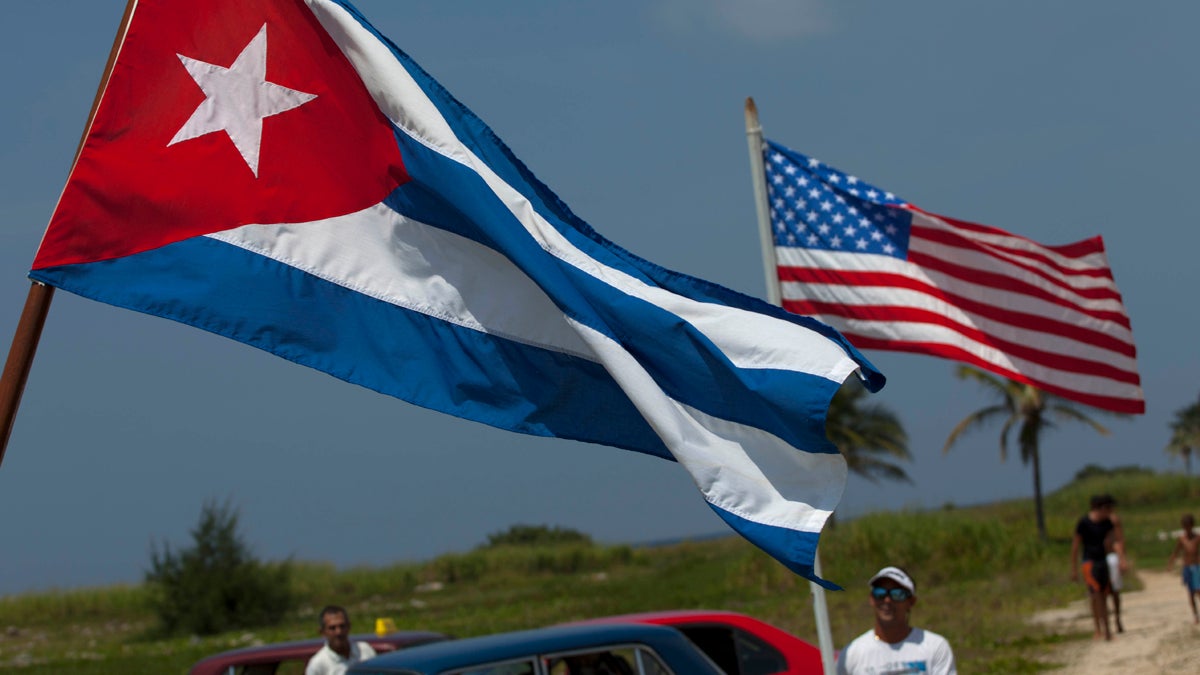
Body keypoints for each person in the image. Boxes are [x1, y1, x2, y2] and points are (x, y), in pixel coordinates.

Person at [835, 566, 956, 675]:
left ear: (911, 602)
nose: (887, 600)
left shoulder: (935, 647)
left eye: (897, 594)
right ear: (871, 599)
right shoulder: (851, 654)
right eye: (880, 593)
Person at [1071, 494, 1121, 641]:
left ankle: (1106, 630)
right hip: (1089, 562)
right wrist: (1074, 569)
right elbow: (1075, 546)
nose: (1111, 512)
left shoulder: (1107, 523)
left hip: (1102, 561)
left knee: (1104, 595)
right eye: (1109, 509)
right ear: (1102, 508)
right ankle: (1100, 630)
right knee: (1096, 595)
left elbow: (1114, 540)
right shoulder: (1084, 523)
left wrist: (1121, 559)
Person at [306, 605, 377, 675]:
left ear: (349, 626)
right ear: (322, 632)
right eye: (332, 628)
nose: (339, 632)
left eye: (342, 626)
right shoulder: (318, 665)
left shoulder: (364, 650)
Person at [1166, 513, 1200, 623]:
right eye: (1185, 526)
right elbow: (1176, 552)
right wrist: (1170, 563)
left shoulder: (1197, 538)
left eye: (1189, 526)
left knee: (1198, 590)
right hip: (1187, 567)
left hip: (1197, 566)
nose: (1187, 528)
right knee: (1190, 592)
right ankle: (1195, 615)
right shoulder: (1182, 539)